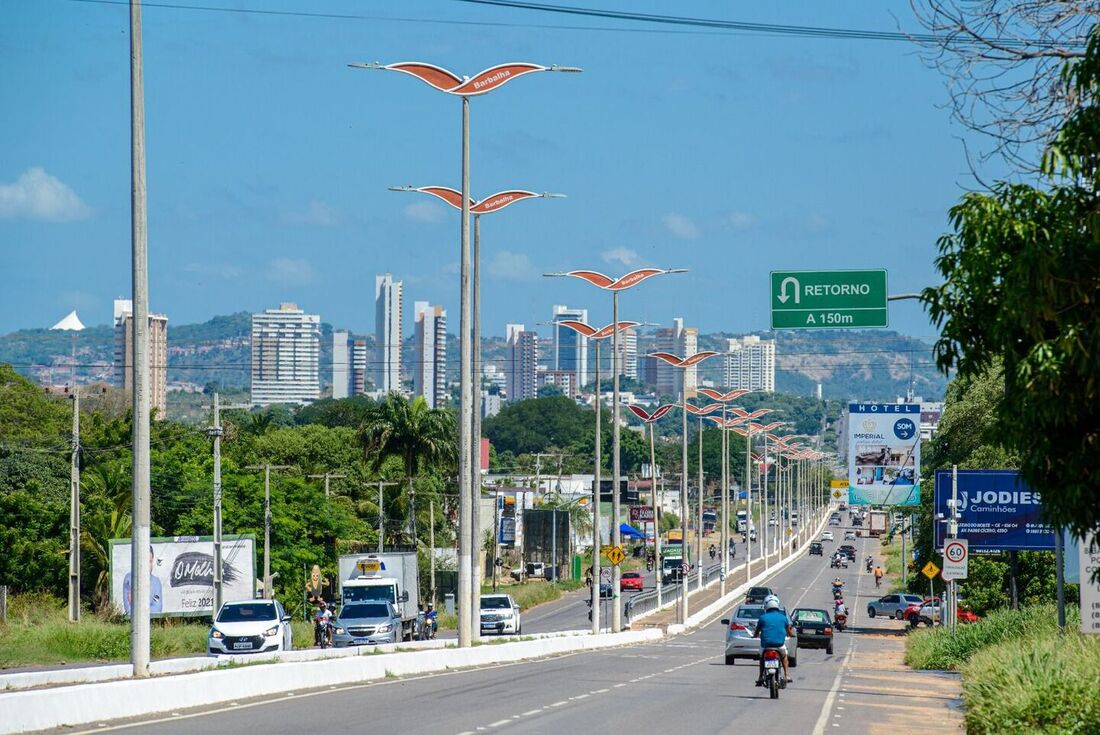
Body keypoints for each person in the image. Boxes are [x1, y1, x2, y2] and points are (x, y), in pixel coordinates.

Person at [753, 595, 793, 686]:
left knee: (762, 658)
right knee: (784, 656)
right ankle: (787, 675)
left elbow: (757, 631)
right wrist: (791, 634)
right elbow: (789, 632)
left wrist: (755, 635)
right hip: (779, 644)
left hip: (766, 646)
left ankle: (760, 677)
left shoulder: (763, 618)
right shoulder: (783, 618)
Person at [122, 548, 163, 616]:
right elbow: (129, 610)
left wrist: (137, 606)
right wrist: (148, 609)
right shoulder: (129, 580)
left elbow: (157, 609)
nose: (147, 566)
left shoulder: (156, 583)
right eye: (145, 562)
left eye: (150, 561)